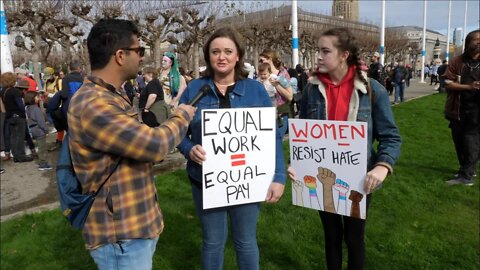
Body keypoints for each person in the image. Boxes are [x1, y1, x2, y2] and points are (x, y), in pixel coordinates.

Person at [67, 18, 195, 269]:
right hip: (120, 235)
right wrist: (182, 116)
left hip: (134, 226)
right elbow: (154, 145)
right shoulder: (95, 104)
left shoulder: (111, 95)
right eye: (140, 51)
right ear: (120, 55)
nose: (143, 58)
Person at [287, 28, 402, 270]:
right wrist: (297, 161)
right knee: (331, 236)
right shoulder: (312, 90)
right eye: (318, 50)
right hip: (322, 174)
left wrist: (382, 166)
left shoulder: (372, 90)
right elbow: (305, 135)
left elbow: (391, 137)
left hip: (359, 178)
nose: (318, 56)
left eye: (325, 51)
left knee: (354, 238)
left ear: (344, 55)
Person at [177, 26, 286, 270]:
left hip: (247, 181)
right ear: (208, 56)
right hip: (205, 181)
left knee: (246, 241)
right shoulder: (195, 89)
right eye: (215, 51)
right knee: (212, 243)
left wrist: (278, 177)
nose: (222, 57)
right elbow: (177, 132)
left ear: (238, 56)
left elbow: (273, 137)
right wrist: (188, 149)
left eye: (228, 51)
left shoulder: (255, 90)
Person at [444, 29, 480, 186]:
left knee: (470, 140)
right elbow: (447, 83)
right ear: (468, 42)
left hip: (477, 110)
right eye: (476, 40)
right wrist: (469, 87)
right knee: (458, 140)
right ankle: (467, 168)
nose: (479, 43)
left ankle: (466, 176)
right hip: (457, 108)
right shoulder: (457, 61)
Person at [0, 74, 34, 162]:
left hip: (9, 116)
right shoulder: (15, 91)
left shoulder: (3, 91)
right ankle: (21, 156)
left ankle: (15, 156)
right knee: (20, 136)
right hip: (18, 116)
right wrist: (24, 112)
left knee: (13, 137)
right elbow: (20, 105)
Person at [259, 49, 292, 135]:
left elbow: (290, 96)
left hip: (280, 114)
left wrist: (276, 85)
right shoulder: (261, 75)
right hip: (265, 114)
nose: (260, 62)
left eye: (262, 60)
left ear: (270, 59)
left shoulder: (282, 75)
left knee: (276, 141)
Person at [24, 91, 52, 170]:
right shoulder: (36, 109)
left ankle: (43, 162)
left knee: (40, 146)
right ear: (33, 98)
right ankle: (43, 164)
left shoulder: (28, 108)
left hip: (33, 129)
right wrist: (46, 130)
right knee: (42, 148)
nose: (39, 98)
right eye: (37, 97)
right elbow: (41, 122)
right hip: (39, 130)